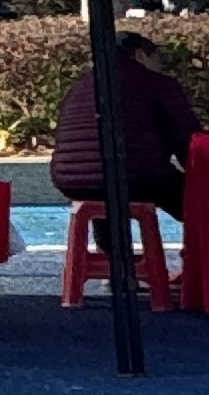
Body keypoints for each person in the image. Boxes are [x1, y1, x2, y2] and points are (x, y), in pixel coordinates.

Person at [52, 31, 196, 241]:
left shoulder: (81, 85)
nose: (160, 66)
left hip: (71, 179)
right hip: (137, 177)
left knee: (103, 188)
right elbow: (188, 142)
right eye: (157, 59)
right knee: (205, 203)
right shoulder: (156, 83)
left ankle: (110, 255)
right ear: (140, 55)